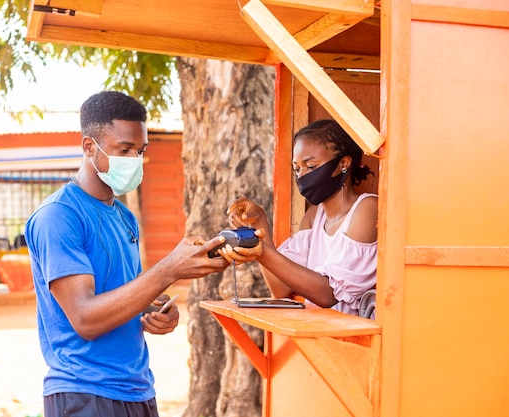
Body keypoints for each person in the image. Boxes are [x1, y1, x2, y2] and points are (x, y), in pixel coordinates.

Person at [24, 91, 229, 417]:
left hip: (137, 387)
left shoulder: (124, 216)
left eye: (140, 150)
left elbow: (122, 293)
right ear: (89, 147)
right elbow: (86, 319)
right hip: (84, 392)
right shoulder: (59, 216)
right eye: (124, 149)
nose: (134, 159)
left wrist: (155, 311)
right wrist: (169, 270)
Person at [220, 119, 377, 316]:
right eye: (297, 169)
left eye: (311, 167)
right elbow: (280, 289)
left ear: (343, 164)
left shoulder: (367, 208)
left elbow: (327, 294)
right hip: (317, 335)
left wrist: (262, 252)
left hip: (353, 339)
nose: (302, 176)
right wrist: (259, 221)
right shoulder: (314, 215)